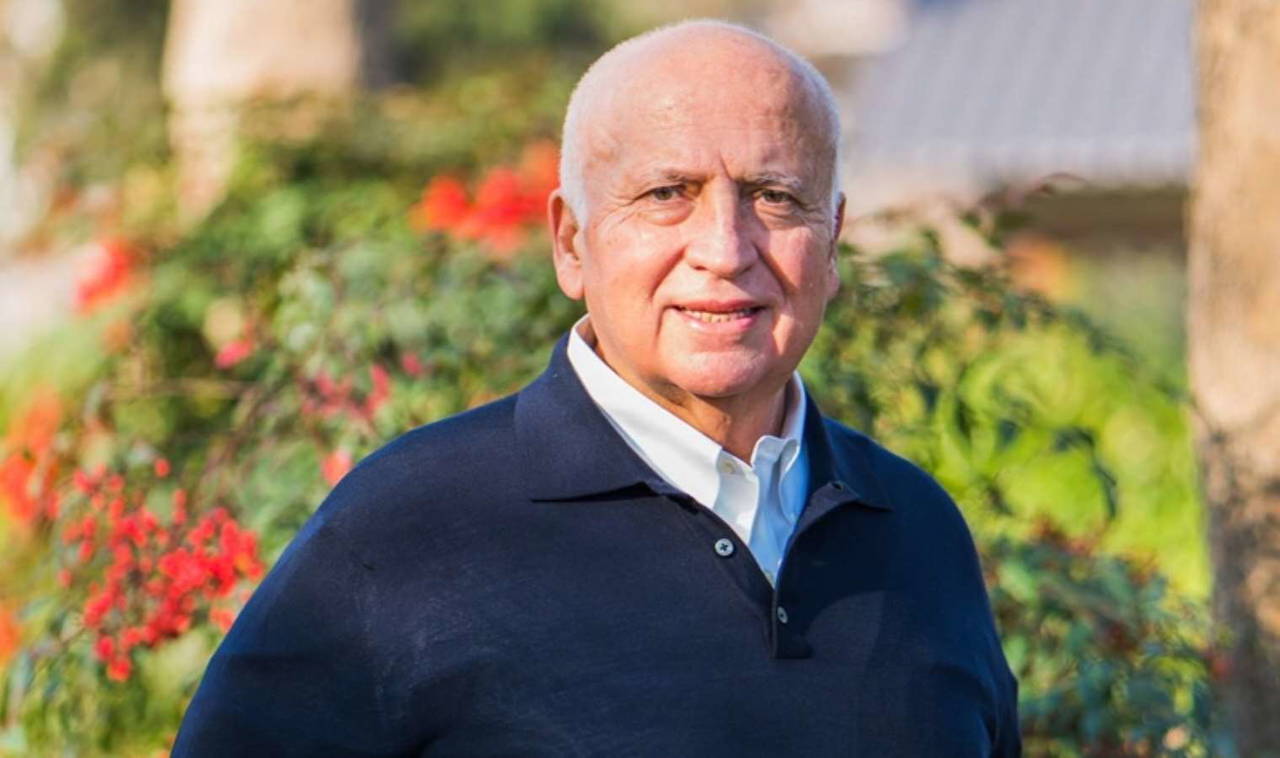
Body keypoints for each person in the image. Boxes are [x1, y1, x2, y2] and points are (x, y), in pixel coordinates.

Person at [172, 19, 1020, 757]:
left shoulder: (917, 531)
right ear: (571, 243)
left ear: (831, 242)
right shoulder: (404, 529)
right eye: (667, 194)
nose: (725, 249)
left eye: (773, 196)